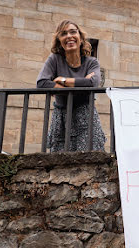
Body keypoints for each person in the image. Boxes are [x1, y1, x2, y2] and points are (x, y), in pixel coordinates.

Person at [37, 20, 106, 152]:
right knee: (59, 163)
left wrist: (63, 80)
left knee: (90, 160)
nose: (69, 36)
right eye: (63, 34)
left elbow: (93, 83)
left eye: (73, 32)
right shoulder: (54, 59)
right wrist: (80, 86)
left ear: (80, 38)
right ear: (59, 41)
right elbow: (42, 83)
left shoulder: (92, 62)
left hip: (86, 117)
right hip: (61, 118)